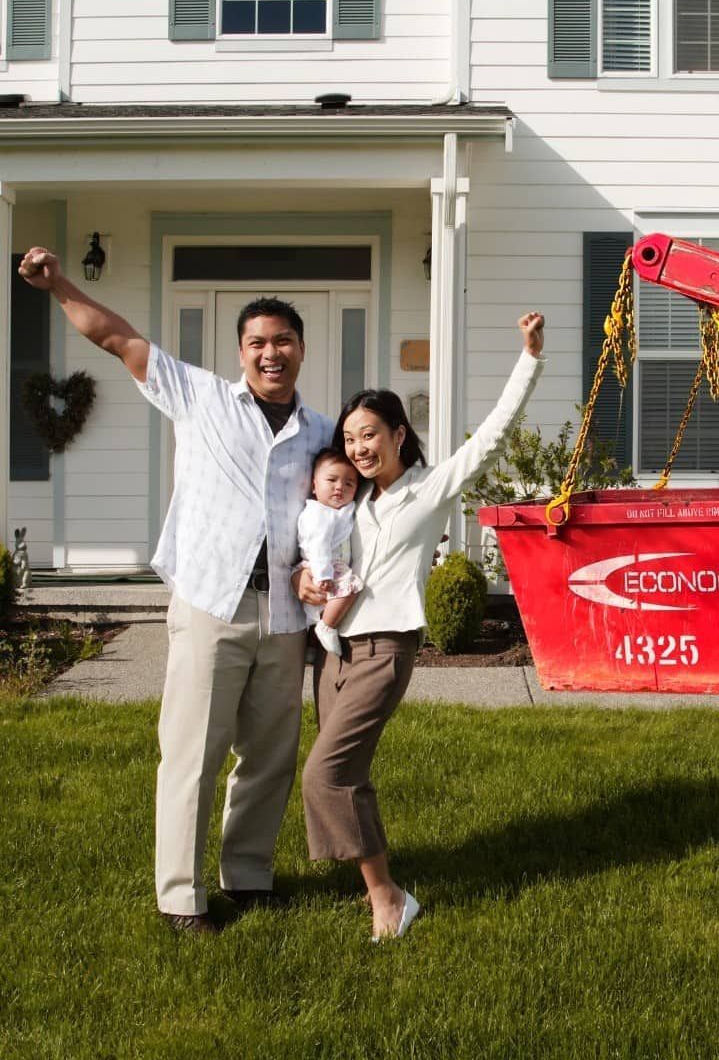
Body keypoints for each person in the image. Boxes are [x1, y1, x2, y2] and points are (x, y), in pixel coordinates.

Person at [19, 247, 334, 935]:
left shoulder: (322, 433)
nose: (270, 352)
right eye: (257, 342)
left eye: (282, 340)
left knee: (270, 754)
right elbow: (117, 337)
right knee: (192, 752)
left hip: (284, 614)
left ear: (302, 350)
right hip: (210, 602)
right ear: (241, 352)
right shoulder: (199, 396)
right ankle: (181, 897)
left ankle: (248, 877)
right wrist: (57, 284)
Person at [293, 311, 545, 941]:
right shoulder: (350, 500)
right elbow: (324, 553)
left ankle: (388, 898)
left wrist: (529, 358)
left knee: (326, 772)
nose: (358, 448)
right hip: (336, 652)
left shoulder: (429, 488)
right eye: (349, 438)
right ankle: (375, 889)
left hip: (387, 647)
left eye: (370, 434)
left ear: (399, 435)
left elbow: (490, 436)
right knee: (348, 773)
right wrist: (304, 574)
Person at [297, 448, 363, 656]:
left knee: (331, 601)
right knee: (351, 587)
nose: (339, 487)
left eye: (348, 483)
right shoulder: (318, 513)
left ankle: (314, 642)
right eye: (331, 480)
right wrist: (323, 573)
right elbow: (318, 546)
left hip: (332, 566)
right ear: (314, 485)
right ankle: (326, 627)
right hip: (321, 566)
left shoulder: (342, 510)